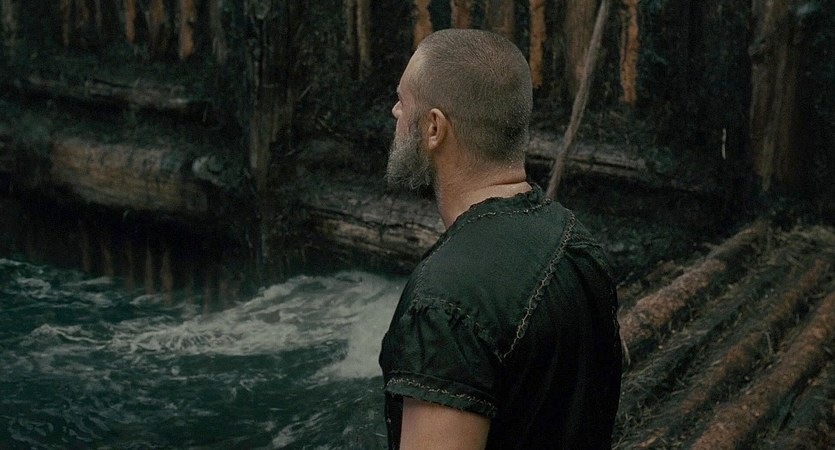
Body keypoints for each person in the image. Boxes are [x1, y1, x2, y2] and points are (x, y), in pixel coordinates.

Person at [379, 29, 622, 450]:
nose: (395, 110)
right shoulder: (577, 243)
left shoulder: (444, 302)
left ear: (434, 128)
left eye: (404, 99)